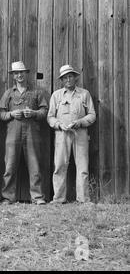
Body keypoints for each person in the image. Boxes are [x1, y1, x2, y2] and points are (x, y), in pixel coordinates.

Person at [0, 61, 47, 205]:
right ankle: (8, 197)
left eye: (22, 72)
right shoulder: (8, 93)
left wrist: (33, 113)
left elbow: (44, 111)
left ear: (26, 74)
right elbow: (0, 113)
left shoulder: (37, 92)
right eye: (16, 73)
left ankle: (37, 197)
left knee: (34, 165)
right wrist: (11, 114)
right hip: (13, 133)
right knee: (10, 166)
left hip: (32, 133)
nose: (19, 75)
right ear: (13, 76)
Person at [47, 64, 96, 204]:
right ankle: (58, 199)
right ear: (61, 80)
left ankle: (83, 199)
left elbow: (92, 115)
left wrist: (80, 122)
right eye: (65, 77)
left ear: (75, 78)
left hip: (80, 133)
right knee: (59, 166)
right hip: (62, 134)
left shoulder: (84, 94)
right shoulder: (56, 95)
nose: (68, 79)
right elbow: (50, 117)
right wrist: (59, 124)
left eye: (70, 76)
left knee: (82, 166)